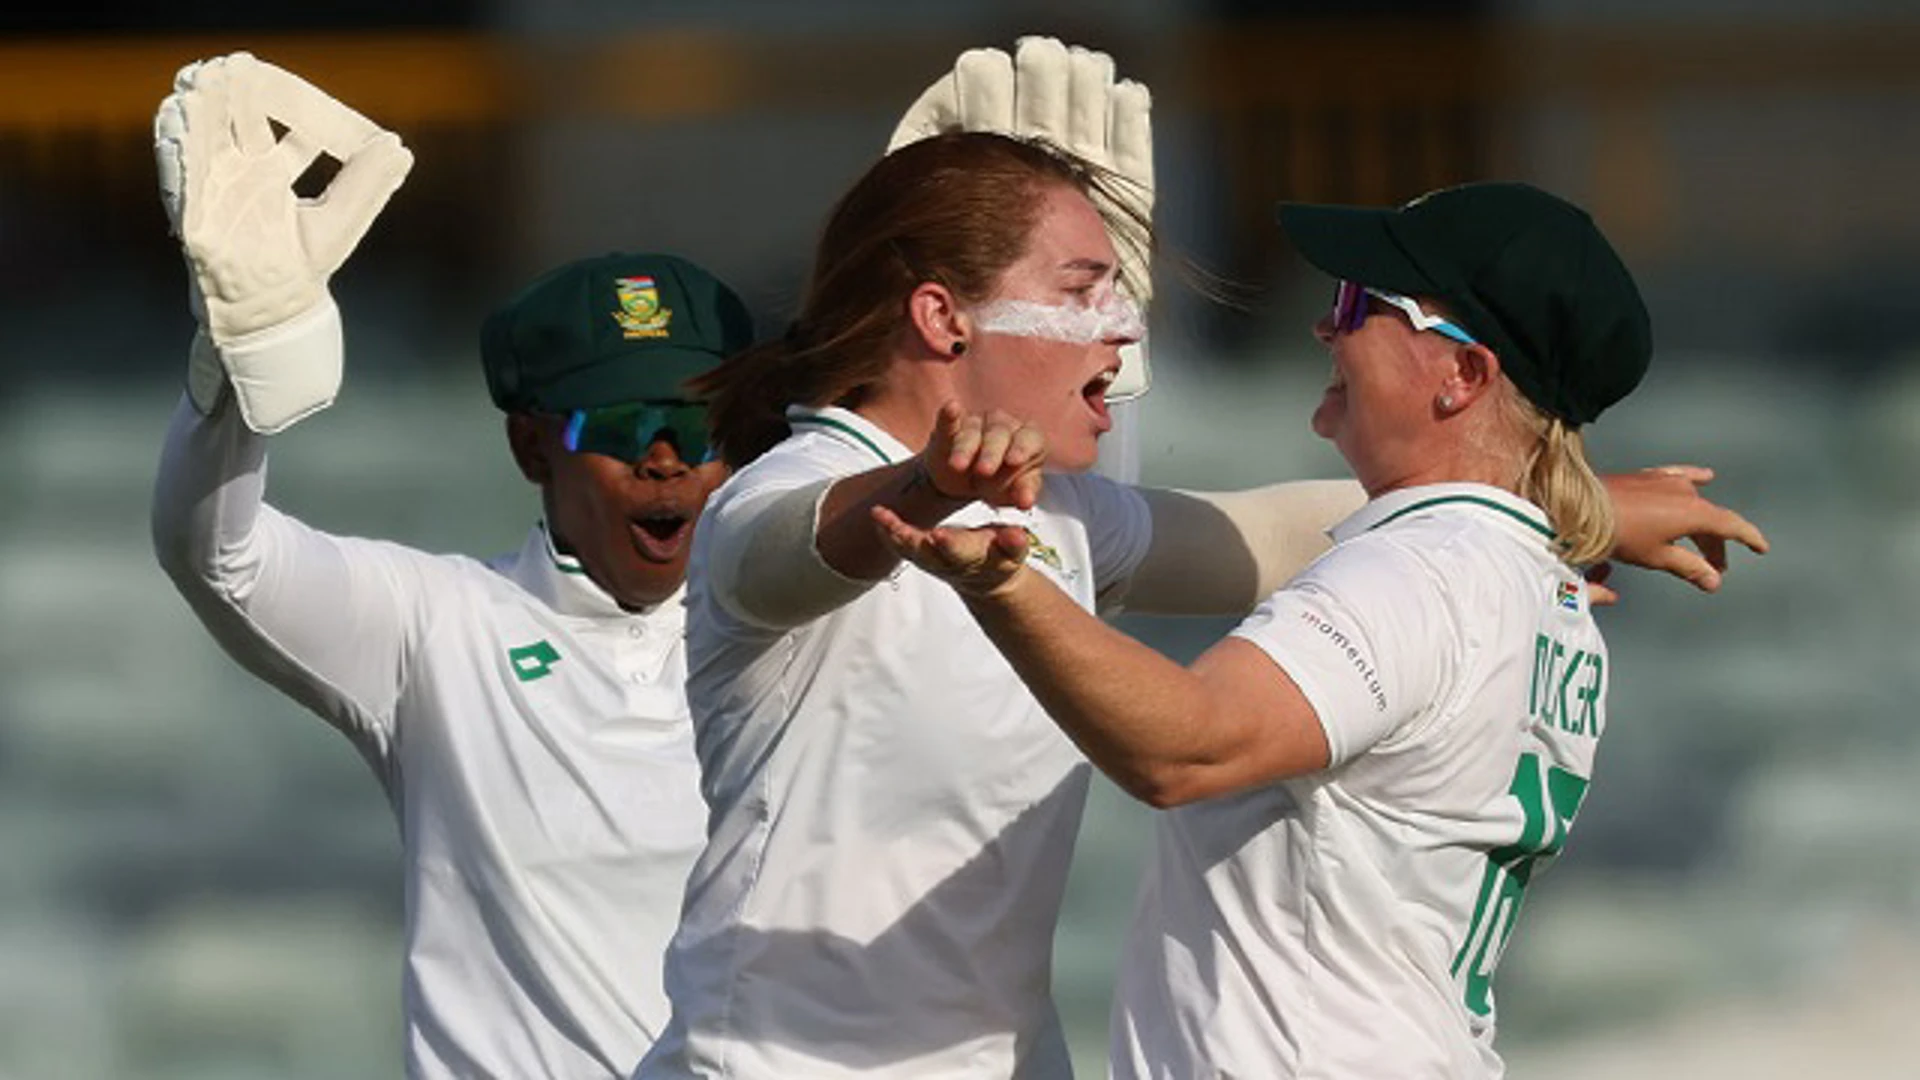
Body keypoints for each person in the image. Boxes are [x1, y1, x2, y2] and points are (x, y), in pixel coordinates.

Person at [640, 42, 1766, 1080]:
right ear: (944, 319)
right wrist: (921, 489)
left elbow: (1266, 537)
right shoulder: (778, 495)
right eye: (1085, 292)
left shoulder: (1061, 522)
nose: (1126, 329)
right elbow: (807, 547)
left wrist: (1551, 499)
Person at [877, 180, 1769, 1077]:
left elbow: (1184, 752)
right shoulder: (1531, 580)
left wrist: (1003, 586)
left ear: (1463, 374)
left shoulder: (1419, 571)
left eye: (1360, 305)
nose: (1325, 329)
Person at [150, 54, 752, 1078]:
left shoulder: (796, 630)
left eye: (702, 425)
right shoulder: (440, 626)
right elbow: (218, 554)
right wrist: (231, 366)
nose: (667, 457)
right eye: (623, 422)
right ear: (531, 449)